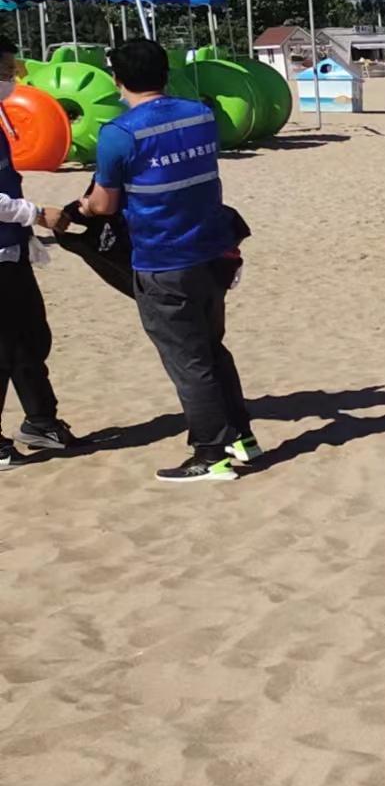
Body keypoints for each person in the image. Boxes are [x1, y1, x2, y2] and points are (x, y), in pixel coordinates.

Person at [51, 39, 257, 483]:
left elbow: (104, 203)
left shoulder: (120, 133)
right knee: (211, 348)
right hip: (211, 252)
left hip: (163, 259)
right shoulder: (201, 116)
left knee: (188, 361)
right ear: (166, 73)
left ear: (116, 79)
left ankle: (211, 453)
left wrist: (77, 210)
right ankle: (242, 436)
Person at [0, 34, 82, 468]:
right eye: (3, 72)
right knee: (4, 346)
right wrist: (35, 213)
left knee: (30, 337)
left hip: (11, 250)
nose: (11, 80)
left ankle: (41, 421)